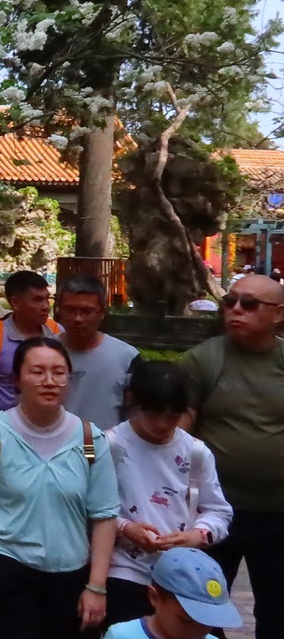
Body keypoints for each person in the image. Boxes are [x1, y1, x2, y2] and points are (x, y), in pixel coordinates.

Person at [0, 337, 120, 638]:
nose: (49, 381)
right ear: (17, 380)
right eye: (37, 371)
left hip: (71, 575)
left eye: (59, 372)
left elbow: (104, 515)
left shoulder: (91, 439)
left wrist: (97, 586)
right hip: (4, 569)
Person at [179, 273, 284, 639]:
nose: (236, 309)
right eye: (231, 301)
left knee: (277, 609)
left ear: (278, 314)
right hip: (215, 513)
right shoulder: (202, 360)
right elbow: (178, 436)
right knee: (203, 605)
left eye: (250, 304)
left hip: (277, 513)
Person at [105, 361, 232, 625]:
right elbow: (90, 507)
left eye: (173, 416)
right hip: (123, 569)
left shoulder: (195, 452)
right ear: (134, 402)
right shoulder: (111, 445)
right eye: (153, 414)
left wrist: (196, 536)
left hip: (182, 572)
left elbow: (218, 510)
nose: (163, 424)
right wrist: (126, 528)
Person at [0, 270, 62, 437]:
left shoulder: (58, 333)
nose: (45, 306)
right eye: (37, 300)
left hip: (50, 432)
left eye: (47, 299)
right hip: (5, 433)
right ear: (15, 303)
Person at [58, 274, 140, 431]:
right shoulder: (41, 352)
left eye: (87, 311)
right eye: (70, 310)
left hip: (106, 448)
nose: (78, 319)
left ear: (102, 313)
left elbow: (133, 413)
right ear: (59, 310)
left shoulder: (126, 357)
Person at [103, 547, 242, 639]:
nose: (197, 633)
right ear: (154, 597)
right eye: (186, 621)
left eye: (207, 622)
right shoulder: (122, 635)